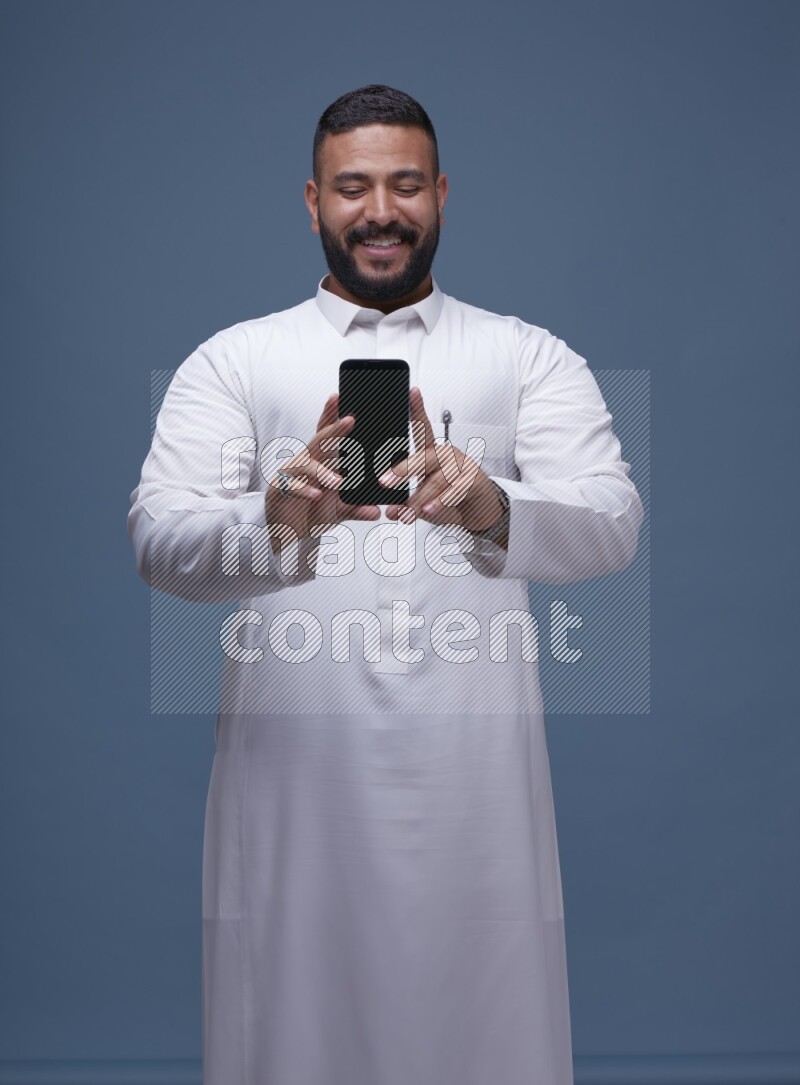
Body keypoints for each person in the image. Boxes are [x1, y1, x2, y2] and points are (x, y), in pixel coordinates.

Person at [129, 85, 643, 1085]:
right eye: (352, 187)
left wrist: (489, 501)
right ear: (311, 200)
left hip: (474, 780)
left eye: (404, 185)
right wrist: (272, 522)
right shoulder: (234, 360)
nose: (379, 210)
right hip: (293, 780)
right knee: (291, 1021)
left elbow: (613, 519)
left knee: (481, 1023)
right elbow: (157, 538)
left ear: (441, 193)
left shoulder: (522, 354)